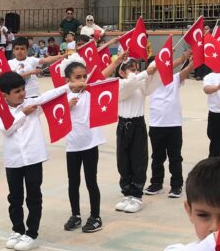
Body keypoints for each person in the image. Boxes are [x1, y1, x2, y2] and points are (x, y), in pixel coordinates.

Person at [0, 71, 48, 251]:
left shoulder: (32, 104)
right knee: (15, 197)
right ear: (5, 95)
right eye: (17, 91)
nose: (22, 94)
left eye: (23, 89)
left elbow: (49, 96)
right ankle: (17, 229)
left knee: (33, 196)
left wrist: (68, 86)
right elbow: (7, 129)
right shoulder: (0, 111)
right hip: (14, 161)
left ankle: (31, 233)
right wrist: (23, 114)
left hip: (33, 159)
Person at [55, 61, 105, 233]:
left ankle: (96, 216)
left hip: (90, 144)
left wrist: (119, 60)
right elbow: (55, 115)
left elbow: (104, 74)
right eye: (77, 77)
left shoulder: (90, 91)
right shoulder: (62, 95)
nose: (82, 80)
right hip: (73, 145)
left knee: (91, 181)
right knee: (73, 182)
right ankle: (75, 215)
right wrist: (65, 107)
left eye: (84, 76)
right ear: (68, 79)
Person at [144, 52, 192, 199]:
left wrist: (192, 61)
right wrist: (182, 58)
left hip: (173, 124)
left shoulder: (175, 79)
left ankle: (176, 185)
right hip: (156, 124)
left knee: (175, 157)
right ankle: (156, 184)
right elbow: (157, 67)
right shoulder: (150, 81)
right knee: (157, 156)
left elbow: (185, 71)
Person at [113, 53, 148, 213]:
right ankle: (127, 192)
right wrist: (143, 74)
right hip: (123, 125)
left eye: (136, 69)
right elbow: (129, 85)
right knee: (123, 161)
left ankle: (137, 195)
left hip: (137, 124)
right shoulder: (119, 85)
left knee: (138, 161)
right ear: (121, 72)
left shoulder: (140, 83)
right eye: (131, 69)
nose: (135, 72)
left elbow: (149, 81)